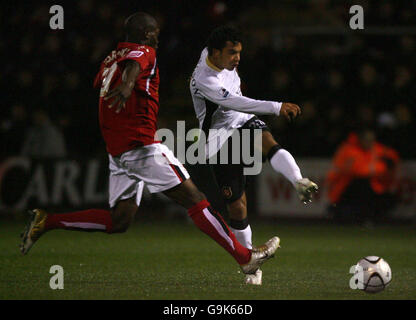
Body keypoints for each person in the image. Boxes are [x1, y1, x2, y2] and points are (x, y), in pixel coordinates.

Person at [19, 12, 280, 280]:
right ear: (146, 35)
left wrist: (126, 90)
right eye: (154, 32)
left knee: (119, 220)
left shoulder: (110, 59)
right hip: (141, 145)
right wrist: (128, 85)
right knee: (195, 199)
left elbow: (101, 83)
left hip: (117, 150)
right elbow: (135, 65)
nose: (157, 36)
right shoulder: (145, 51)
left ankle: (46, 221)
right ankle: (245, 257)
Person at [189, 25, 318, 285]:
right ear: (215, 54)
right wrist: (277, 107)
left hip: (242, 119)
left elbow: (239, 106)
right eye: (232, 53)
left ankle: (298, 181)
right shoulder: (205, 79)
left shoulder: (216, 54)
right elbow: (235, 101)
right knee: (237, 206)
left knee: (267, 141)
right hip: (219, 137)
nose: (237, 58)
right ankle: (251, 265)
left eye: (239, 52)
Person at [326, 127, 400, 225]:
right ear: (360, 140)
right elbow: (359, 171)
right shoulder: (349, 150)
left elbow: (392, 157)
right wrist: (381, 167)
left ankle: (369, 218)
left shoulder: (374, 149)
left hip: (370, 191)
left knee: (390, 196)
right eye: (367, 140)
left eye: (372, 140)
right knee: (362, 184)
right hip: (343, 191)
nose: (370, 143)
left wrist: (385, 165)